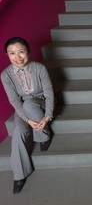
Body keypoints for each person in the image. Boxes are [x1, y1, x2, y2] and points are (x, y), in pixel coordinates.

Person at [1, 37, 54, 194]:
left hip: (41, 102)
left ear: (29, 52)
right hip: (23, 108)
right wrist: (28, 121)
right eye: (12, 53)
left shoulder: (40, 68)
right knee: (18, 131)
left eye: (21, 52)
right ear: (7, 55)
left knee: (30, 104)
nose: (17, 57)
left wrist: (47, 117)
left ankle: (43, 136)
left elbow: (50, 94)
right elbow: (14, 101)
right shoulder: (5, 75)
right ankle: (19, 174)